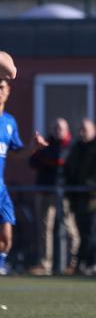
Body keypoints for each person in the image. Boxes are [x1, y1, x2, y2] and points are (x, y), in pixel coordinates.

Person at [28, 118, 80, 275]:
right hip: (45, 191)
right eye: (55, 127)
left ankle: (73, 263)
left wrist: (49, 159)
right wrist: (39, 150)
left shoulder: (72, 146)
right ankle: (45, 264)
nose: (58, 130)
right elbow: (33, 162)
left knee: (70, 228)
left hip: (64, 193)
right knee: (45, 228)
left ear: (67, 130)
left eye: (61, 128)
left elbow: (62, 161)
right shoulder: (46, 144)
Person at [63, 119, 96, 275]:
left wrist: (94, 182)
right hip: (80, 197)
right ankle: (84, 263)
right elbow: (69, 168)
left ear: (94, 130)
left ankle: (93, 262)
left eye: (85, 129)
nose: (82, 133)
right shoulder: (77, 147)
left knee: (91, 231)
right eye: (80, 129)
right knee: (82, 231)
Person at [0, 78, 24, 275]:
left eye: (1, 87)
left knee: (6, 240)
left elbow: (17, 153)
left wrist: (34, 147)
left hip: (1, 188)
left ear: (8, 91)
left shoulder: (9, 122)